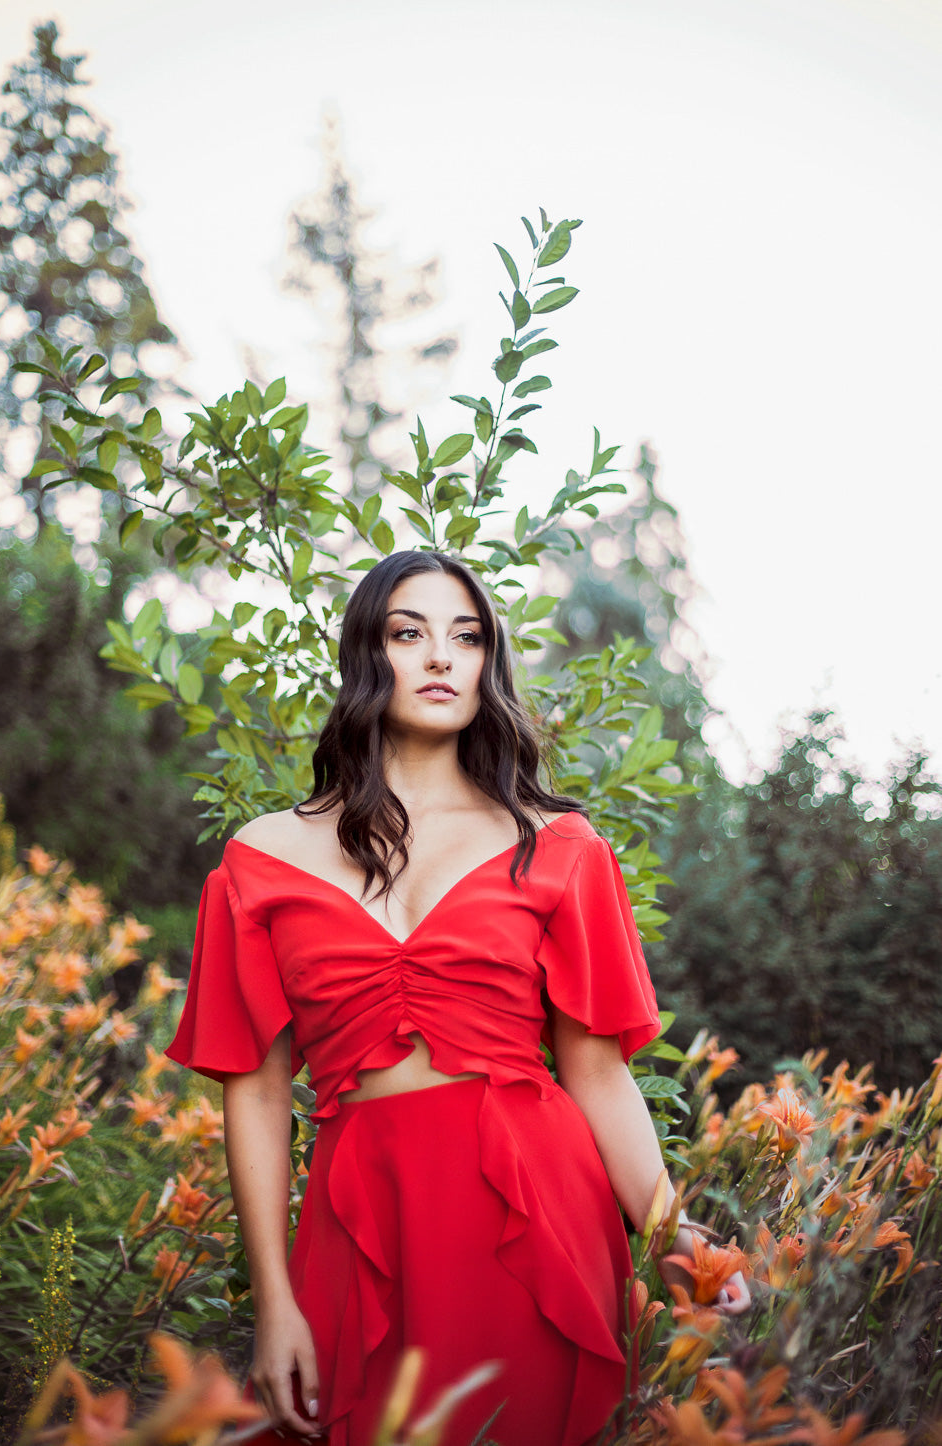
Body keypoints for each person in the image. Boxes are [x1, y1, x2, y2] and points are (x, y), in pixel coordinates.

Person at [166, 549, 748, 1446]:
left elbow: (596, 1076)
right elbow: (256, 1089)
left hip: (533, 1213)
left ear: (488, 664)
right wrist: (274, 1303)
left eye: (466, 637)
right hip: (362, 1222)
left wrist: (674, 1231)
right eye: (410, 632)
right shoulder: (261, 859)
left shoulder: (559, 847)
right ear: (368, 654)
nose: (441, 656)